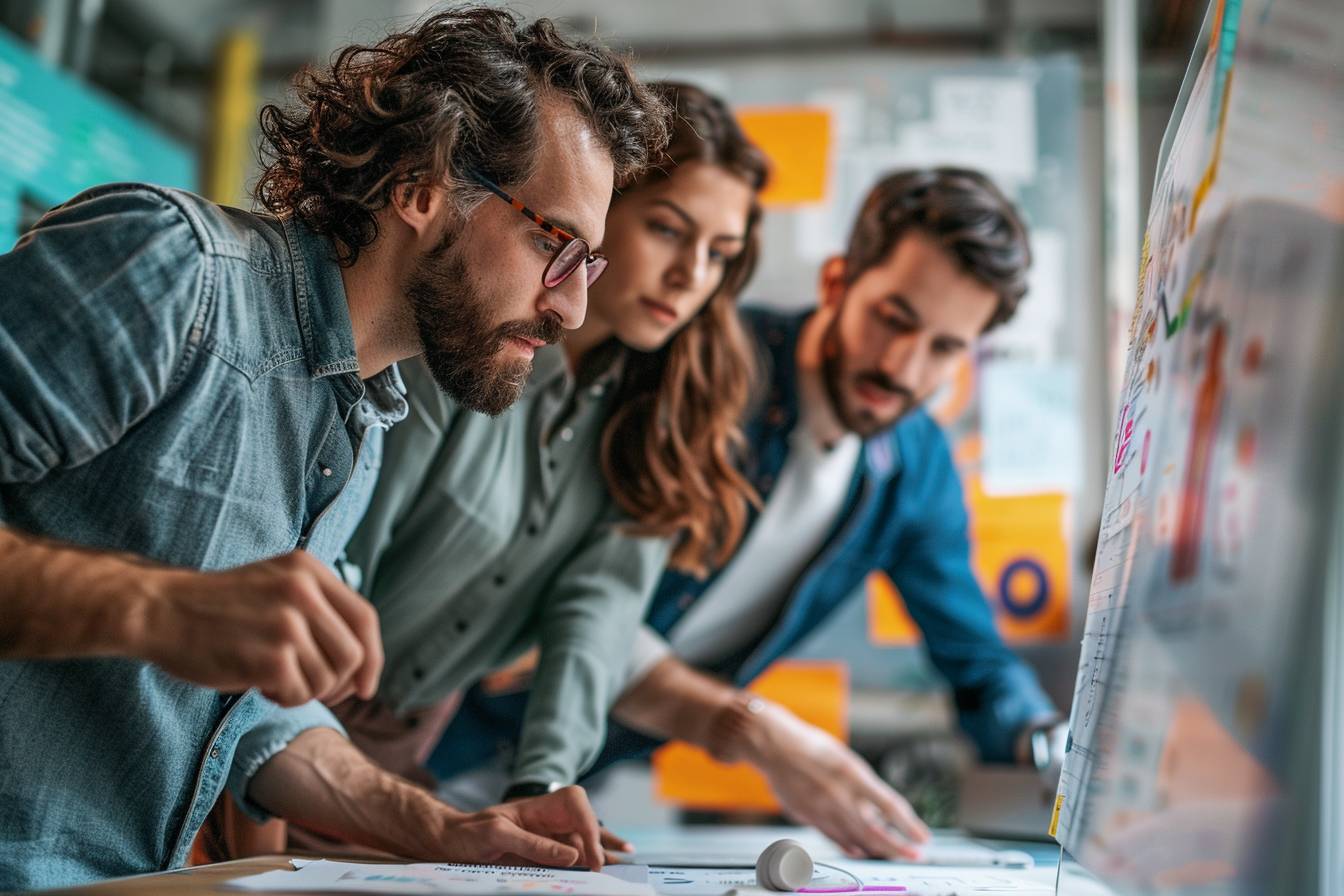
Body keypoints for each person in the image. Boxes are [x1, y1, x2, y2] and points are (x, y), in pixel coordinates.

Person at [0, 8, 667, 889]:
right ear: (424, 187)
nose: (575, 308)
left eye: (591, 265)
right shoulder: (171, 269)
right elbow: (177, 622)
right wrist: (155, 609)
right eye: (557, 245)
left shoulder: (365, 419)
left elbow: (245, 721)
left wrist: (439, 828)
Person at [437, 168, 1066, 860]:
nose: (904, 369)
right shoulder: (702, 362)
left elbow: (977, 664)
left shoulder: (914, 470)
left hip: (555, 787)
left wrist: (1044, 739)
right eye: (893, 318)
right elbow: (555, 582)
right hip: (427, 717)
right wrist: (752, 729)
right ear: (837, 283)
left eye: (944, 348)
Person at [223, 82, 765, 856]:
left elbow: (597, 618)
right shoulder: (472, 348)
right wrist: (264, 816)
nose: (690, 277)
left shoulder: (661, 422)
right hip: (276, 717)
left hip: (399, 761)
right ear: (603, 215)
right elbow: (333, 554)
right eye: (670, 232)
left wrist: (541, 785)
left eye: (721, 255)